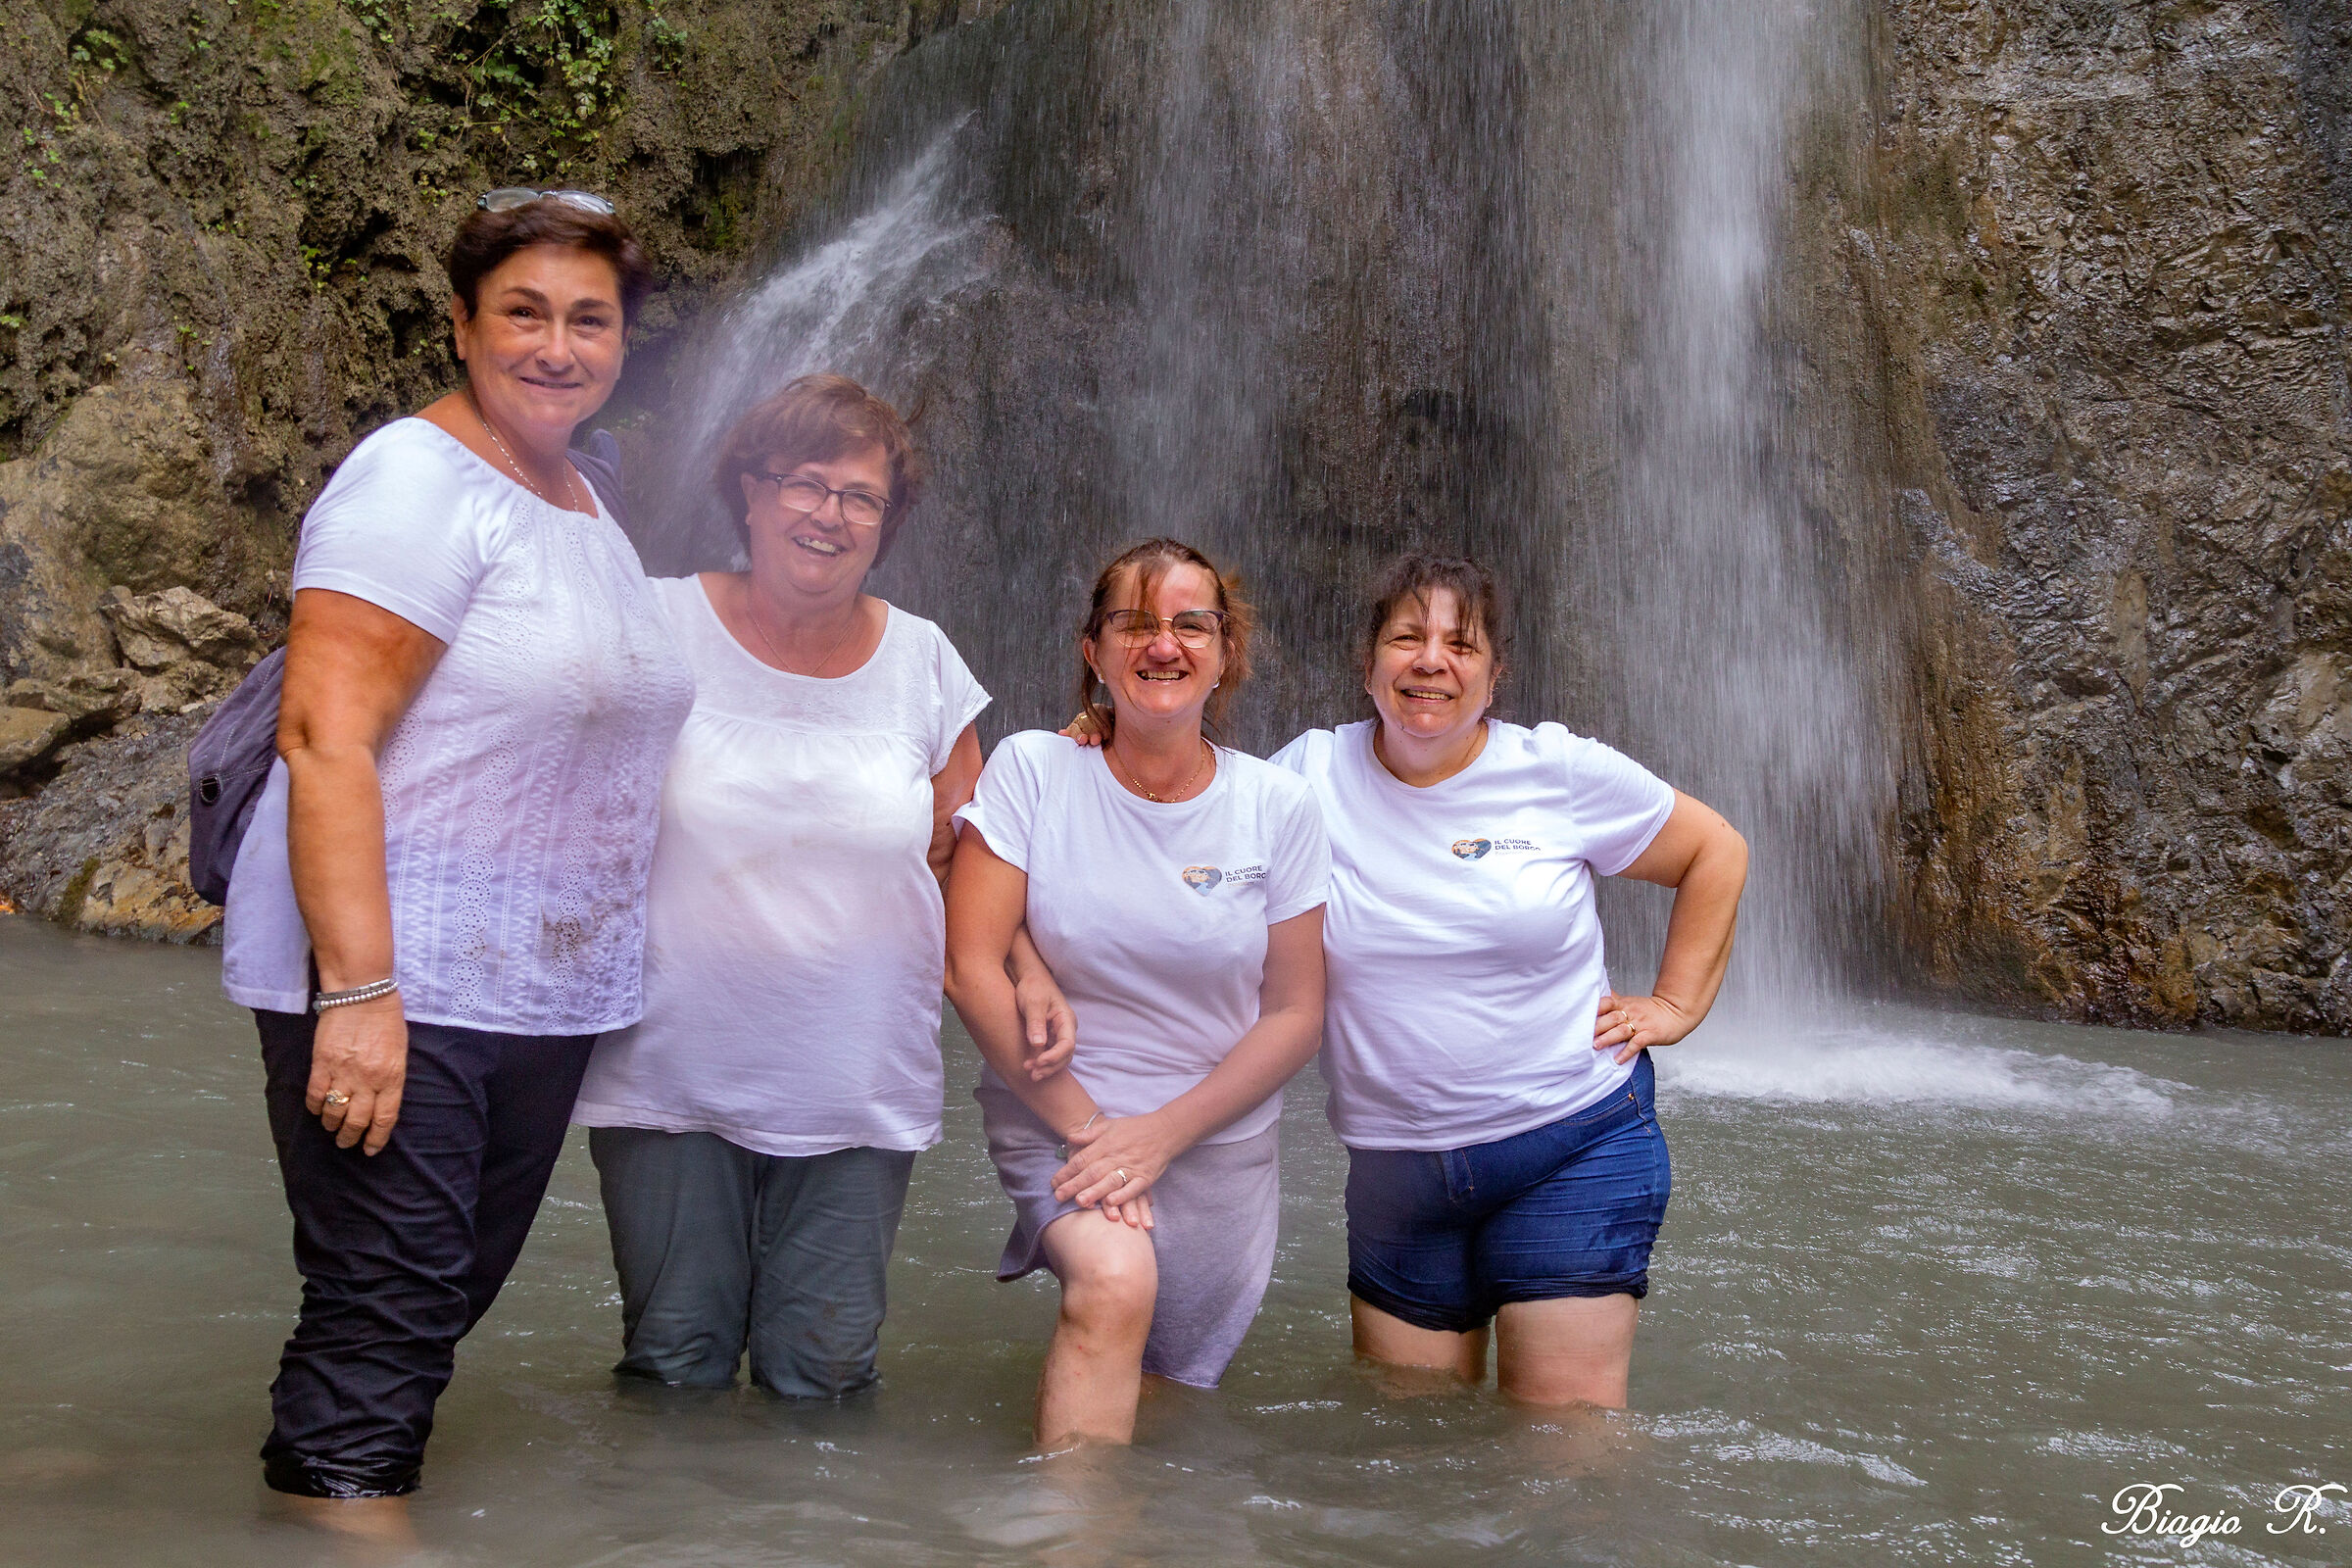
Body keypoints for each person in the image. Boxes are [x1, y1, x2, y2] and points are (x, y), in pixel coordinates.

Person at [217, 190, 695, 1524]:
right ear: (463, 325)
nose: (556, 345)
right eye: (523, 312)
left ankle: (296, 1502)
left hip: (524, 991)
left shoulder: (584, 499)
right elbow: (324, 735)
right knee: (390, 1304)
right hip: (403, 975)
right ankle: (341, 1511)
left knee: (433, 1292)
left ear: (623, 343)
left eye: (588, 320)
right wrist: (360, 994)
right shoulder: (413, 477)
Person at [570, 374, 990, 1398]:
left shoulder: (926, 662)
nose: (829, 514)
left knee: (829, 1372)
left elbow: (970, 855)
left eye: (860, 497)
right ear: (748, 493)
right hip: (670, 1072)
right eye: (805, 483)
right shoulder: (654, 622)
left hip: (853, 1079)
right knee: (674, 1362)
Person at [1269, 554, 1746, 1407]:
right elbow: (1186, 817)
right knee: (1406, 1454)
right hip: (1396, 1173)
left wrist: (1676, 1004)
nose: (1430, 661)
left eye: (1462, 644)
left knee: (1560, 1453)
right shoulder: (1305, 775)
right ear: (1369, 663)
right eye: (1406, 637)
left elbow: (1715, 849)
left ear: (1494, 677)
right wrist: (1103, 739)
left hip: (1571, 1143)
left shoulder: (1556, 771)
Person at [942, 538, 1329, 1448]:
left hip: (1215, 1137)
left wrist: (1161, 1135)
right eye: (1135, 623)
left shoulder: (1280, 806)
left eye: (1191, 624)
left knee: (1171, 1389)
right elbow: (970, 964)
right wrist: (1093, 1132)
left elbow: (1296, 1013)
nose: (1164, 644)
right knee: (1113, 1283)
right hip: (1060, 1113)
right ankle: (1072, 1539)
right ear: (1094, 650)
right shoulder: (1036, 769)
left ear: (1227, 651)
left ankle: (1135, 1523)